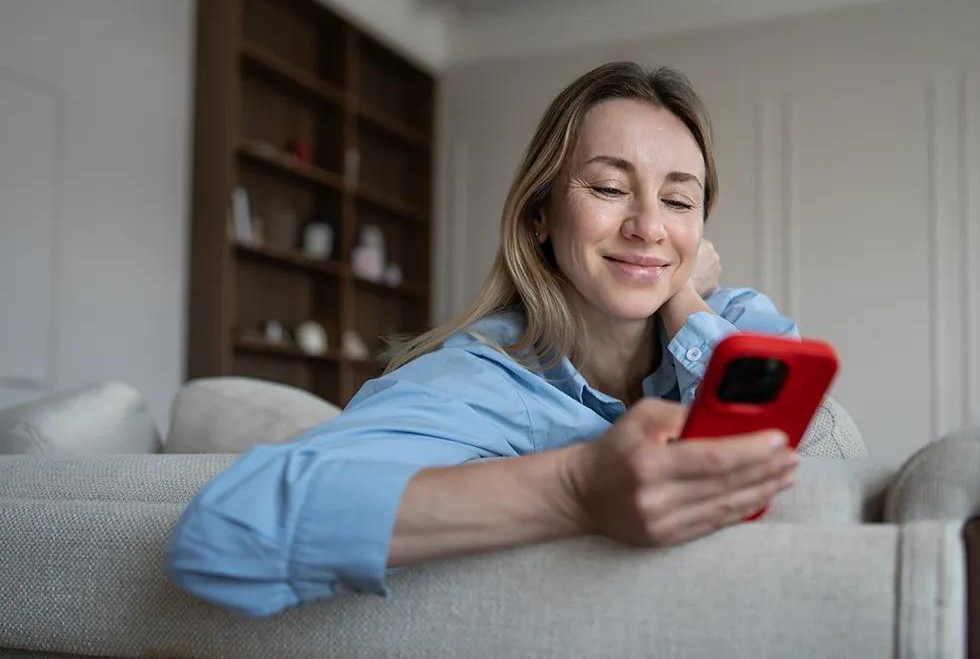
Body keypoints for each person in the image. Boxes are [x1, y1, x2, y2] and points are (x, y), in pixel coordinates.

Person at [165, 61, 865, 618]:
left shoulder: (733, 318)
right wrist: (576, 489)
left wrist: (681, 292)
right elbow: (224, 534)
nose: (650, 226)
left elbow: (822, 449)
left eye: (679, 201)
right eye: (609, 188)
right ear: (540, 214)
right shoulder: (480, 377)